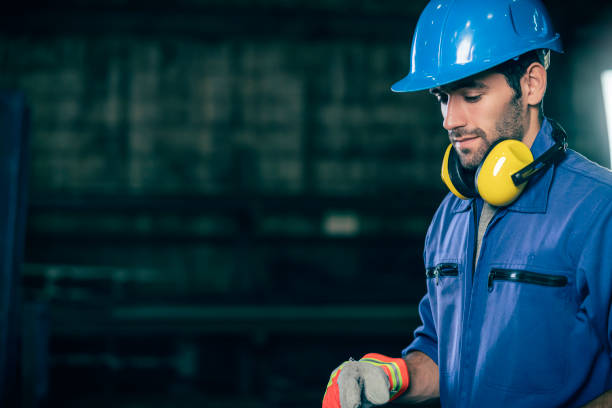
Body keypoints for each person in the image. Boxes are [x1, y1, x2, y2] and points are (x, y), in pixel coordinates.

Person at [322, 0, 612, 407]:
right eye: (443, 97)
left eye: (471, 95)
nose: (450, 120)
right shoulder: (450, 217)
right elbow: (446, 357)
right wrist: (393, 375)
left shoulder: (600, 211)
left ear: (531, 84)